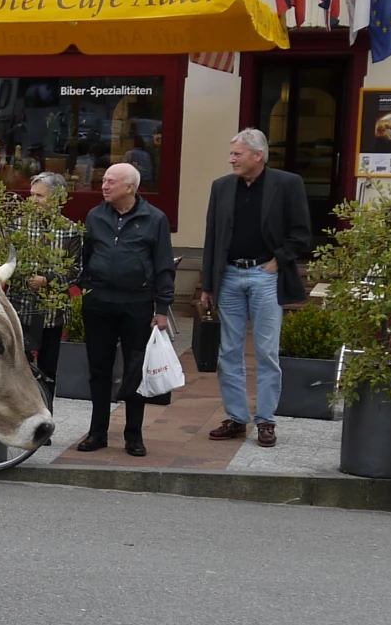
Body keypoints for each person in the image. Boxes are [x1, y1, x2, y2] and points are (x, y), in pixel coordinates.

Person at [199, 126, 314, 449]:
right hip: (230, 277)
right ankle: (236, 418)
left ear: (257, 155)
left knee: (266, 352)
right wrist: (208, 282)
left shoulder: (288, 184)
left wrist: (278, 261)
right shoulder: (221, 187)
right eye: (231, 153)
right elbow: (212, 238)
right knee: (229, 353)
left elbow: (302, 233)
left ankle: (266, 421)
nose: (231, 159)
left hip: (266, 274)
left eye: (237, 154)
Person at [75, 161, 173, 457]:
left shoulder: (155, 219)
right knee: (99, 369)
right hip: (99, 302)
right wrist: (84, 287)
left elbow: (164, 265)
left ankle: (134, 435)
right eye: (103, 180)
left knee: (135, 370)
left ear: (130, 187)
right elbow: (85, 254)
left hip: (137, 303)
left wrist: (163, 307)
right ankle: (97, 432)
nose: (104, 186)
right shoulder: (94, 216)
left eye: (111, 182)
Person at [17, 172, 80, 394]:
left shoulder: (70, 229)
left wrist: (47, 281)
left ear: (57, 198)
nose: (33, 200)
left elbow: (76, 271)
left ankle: (46, 411)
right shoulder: (18, 226)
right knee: (18, 367)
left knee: (47, 370)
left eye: (40, 196)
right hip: (20, 307)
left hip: (52, 311)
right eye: (32, 195)